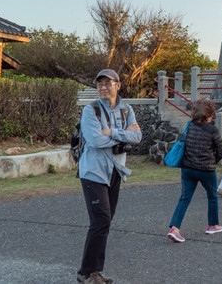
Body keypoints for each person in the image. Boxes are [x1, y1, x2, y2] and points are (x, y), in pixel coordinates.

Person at [77, 69, 142, 284]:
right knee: (101, 220)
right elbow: (95, 141)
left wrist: (110, 133)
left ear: (118, 85)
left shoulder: (126, 109)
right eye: (100, 84)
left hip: (115, 170)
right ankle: (90, 272)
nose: (103, 87)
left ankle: (88, 271)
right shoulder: (90, 110)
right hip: (93, 171)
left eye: (108, 83)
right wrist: (122, 135)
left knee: (105, 221)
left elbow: (138, 136)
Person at [167, 99, 222, 242]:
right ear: (210, 113)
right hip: (206, 169)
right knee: (212, 196)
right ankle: (212, 225)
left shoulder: (190, 125)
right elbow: (221, 150)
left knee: (184, 198)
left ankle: (175, 228)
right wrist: (213, 161)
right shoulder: (212, 130)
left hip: (188, 168)